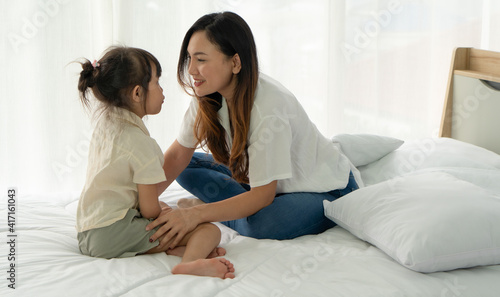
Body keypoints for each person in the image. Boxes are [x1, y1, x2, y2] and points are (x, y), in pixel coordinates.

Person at [147, 11, 359, 249]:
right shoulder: (207, 93)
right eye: (190, 58)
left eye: (201, 59)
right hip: (263, 183)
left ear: (235, 63)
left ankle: (209, 208)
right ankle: (226, 207)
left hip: (322, 190)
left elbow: (262, 196)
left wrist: (197, 215)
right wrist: (137, 205)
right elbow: (177, 156)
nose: (192, 70)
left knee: (259, 225)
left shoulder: (268, 108)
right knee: (186, 167)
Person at [75, 46, 235, 279]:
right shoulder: (143, 145)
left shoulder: (106, 127)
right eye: (158, 83)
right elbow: (149, 209)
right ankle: (191, 262)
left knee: (173, 223)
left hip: (86, 231)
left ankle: (177, 249)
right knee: (209, 230)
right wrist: (165, 211)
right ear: (137, 93)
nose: (162, 91)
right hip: (111, 233)